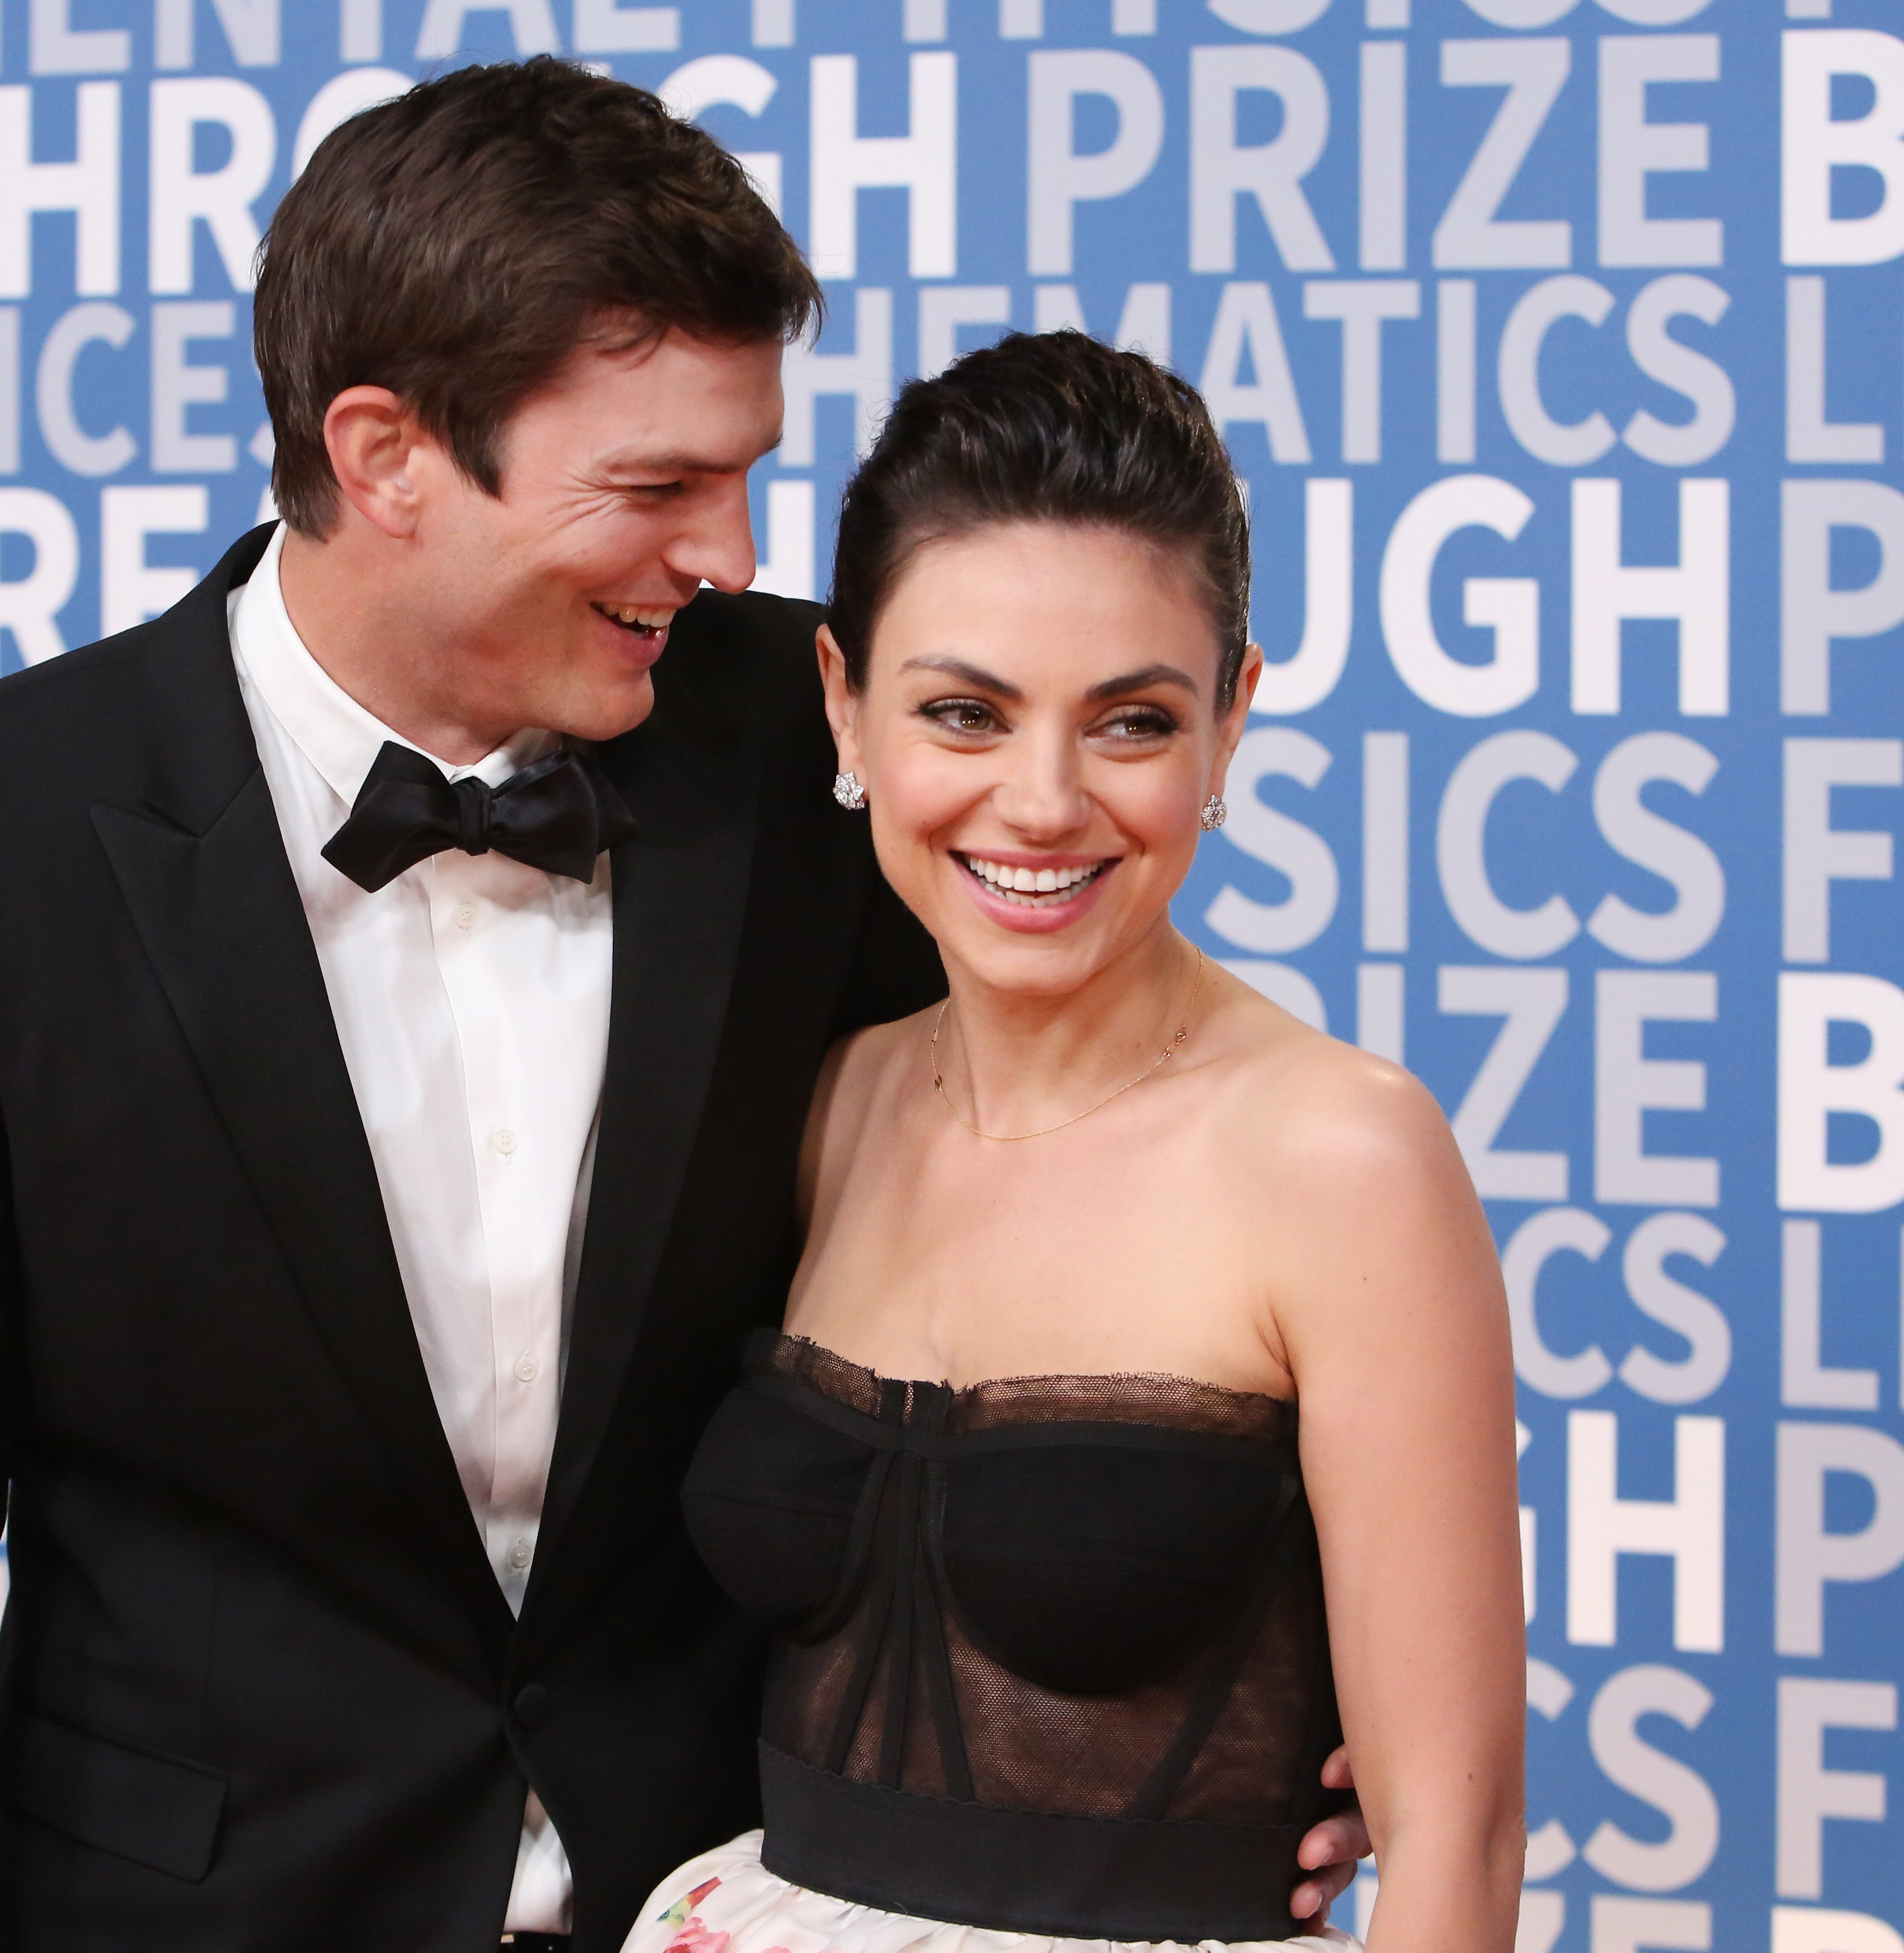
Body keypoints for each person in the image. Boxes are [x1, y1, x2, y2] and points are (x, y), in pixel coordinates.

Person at [0, 60, 1373, 1952]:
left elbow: (1108, 1175)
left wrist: (1242, 1722)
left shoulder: (818, 740)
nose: (732, 555)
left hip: (741, 1899)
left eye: (747, 472)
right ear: (387, 455)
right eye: (656, 486)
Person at [630, 334, 1526, 1953]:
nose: (1041, 802)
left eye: (1129, 723)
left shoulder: (1342, 1159)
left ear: (1231, 722)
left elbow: (1453, 1845)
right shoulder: (833, 1102)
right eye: (964, 713)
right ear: (842, 704)